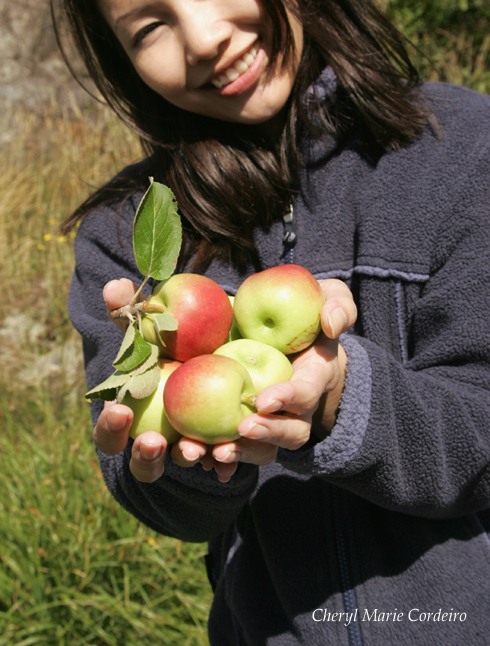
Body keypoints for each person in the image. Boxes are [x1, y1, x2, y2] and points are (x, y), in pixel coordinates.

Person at [54, 0, 490, 643]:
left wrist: (343, 398)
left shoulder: (465, 148)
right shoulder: (130, 238)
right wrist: (183, 455)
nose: (202, 39)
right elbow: (153, 491)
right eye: (149, 28)